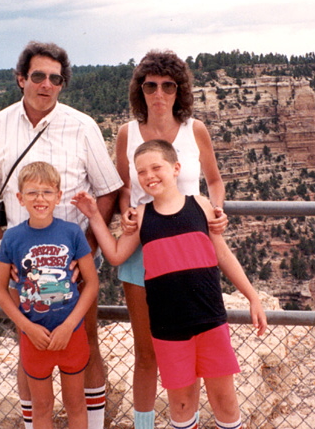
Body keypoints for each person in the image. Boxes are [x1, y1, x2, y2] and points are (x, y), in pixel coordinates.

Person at [0, 41, 122, 429]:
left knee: (86, 343)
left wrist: (90, 253)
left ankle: (93, 425)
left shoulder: (82, 126)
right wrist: (3, 249)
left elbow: (108, 191)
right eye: (38, 76)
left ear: (62, 84)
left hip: (76, 264)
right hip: (23, 265)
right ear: (21, 79)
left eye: (55, 78)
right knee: (28, 346)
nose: (46, 85)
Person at [72, 139, 267, 429]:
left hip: (209, 318)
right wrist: (94, 217)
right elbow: (115, 255)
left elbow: (223, 255)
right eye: (141, 172)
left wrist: (252, 296)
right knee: (182, 403)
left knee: (224, 399)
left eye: (156, 167)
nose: (149, 175)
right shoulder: (141, 216)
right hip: (167, 326)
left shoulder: (199, 205)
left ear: (176, 168)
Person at [115, 50, 227, 428]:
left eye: (168, 85)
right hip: (140, 250)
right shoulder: (126, 134)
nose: (159, 93)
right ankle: (144, 426)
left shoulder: (195, 130)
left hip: (188, 250)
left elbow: (213, 180)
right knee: (147, 352)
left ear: (179, 90)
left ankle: (190, 417)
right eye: (150, 85)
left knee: (191, 340)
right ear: (140, 90)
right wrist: (127, 212)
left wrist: (215, 210)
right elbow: (122, 189)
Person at [0, 162, 99, 429]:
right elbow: (0, 289)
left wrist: (69, 325)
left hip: (71, 334)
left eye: (47, 192)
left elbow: (92, 283)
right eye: (32, 193)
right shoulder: (12, 238)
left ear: (58, 196)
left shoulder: (72, 232)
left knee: (76, 403)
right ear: (19, 198)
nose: (40, 199)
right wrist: (27, 327)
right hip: (34, 336)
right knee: (42, 407)